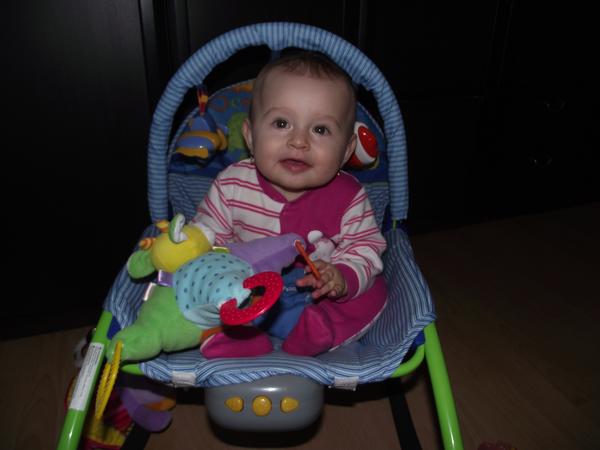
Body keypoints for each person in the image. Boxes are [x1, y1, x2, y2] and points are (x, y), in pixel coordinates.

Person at [192, 51, 388, 357]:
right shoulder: (232, 185)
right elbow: (207, 239)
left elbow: (365, 247)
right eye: (281, 123)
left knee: (374, 292)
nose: (299, 141)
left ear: (346, 149)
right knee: (198, 278)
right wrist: (222, 273)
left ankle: (318, 330)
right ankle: (235, 335)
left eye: (320, 129)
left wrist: (342, 276)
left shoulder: (349, 196)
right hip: (249, 289)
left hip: (316, 295)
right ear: (250, 136)